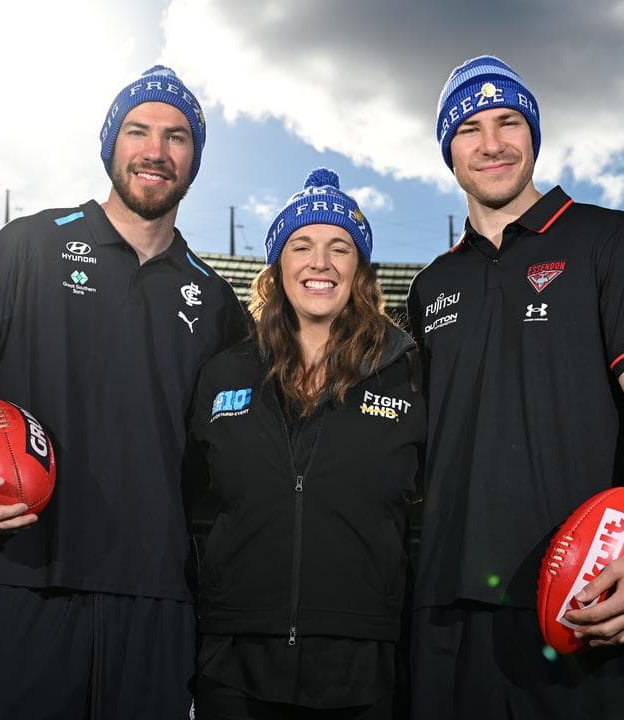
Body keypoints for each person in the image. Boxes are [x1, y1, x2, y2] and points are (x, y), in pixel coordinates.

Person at [0, 65, 249, 719]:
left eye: (176, 137)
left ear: (194, 159)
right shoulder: (30, 244)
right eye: (138, 131)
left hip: (160, 596)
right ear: (111, 144)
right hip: (23, 572)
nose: (155, 150)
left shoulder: (218, 302)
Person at [406, 55, 624, 719]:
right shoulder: (429, 287)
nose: (491, 143)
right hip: (449, 612)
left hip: (590, 595)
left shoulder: (608, 238)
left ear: (533, 135)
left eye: (508, 122)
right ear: (448, 151)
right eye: (469, 128)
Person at [188, 168, 425, 719]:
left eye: (339, 247)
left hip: (361, 666)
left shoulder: (410, 375)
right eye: (302, 245)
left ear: (359, 269)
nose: (320, 262)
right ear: (278, 267)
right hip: (234, 662)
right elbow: (188, 497)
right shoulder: (223, 373)